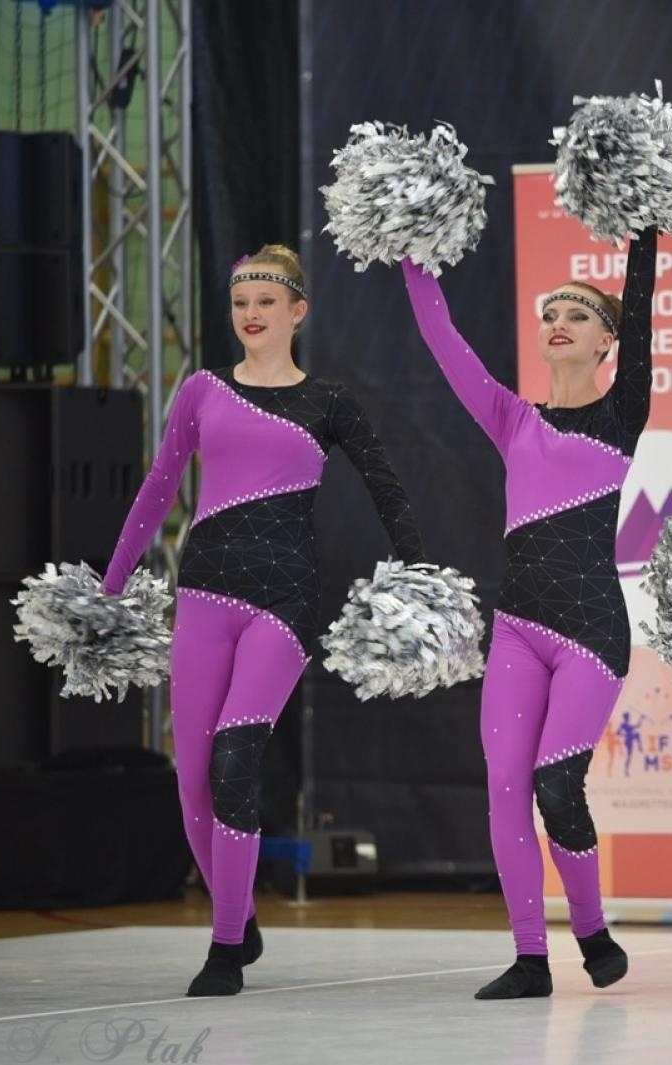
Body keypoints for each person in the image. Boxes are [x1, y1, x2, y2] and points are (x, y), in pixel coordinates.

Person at [101, 244, 426, 997]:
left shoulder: (329, 402)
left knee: (235, 762)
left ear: (297, 312)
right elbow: (157, 489)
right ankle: (239, 916)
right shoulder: (202, 390)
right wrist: (111, 587)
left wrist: (418, 570)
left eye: (266, 303)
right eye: (241, 302)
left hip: (285, 600)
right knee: (192, 782)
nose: (250, 314)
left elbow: (387, 487)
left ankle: (222, 949)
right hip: (205, 591)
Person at [400, 226, 658, 999]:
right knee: (505, 789)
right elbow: (443, 339)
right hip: (516, 625)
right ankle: (529, 959)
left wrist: (643, 228)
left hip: (590, 631)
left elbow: (643, 308)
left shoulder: (621, 416)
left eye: (579, 315)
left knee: (556, 786)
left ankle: (591, 929)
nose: (559, 322)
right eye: (553, 312)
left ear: (608, 342)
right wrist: (410, 247)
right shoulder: (513, 418)